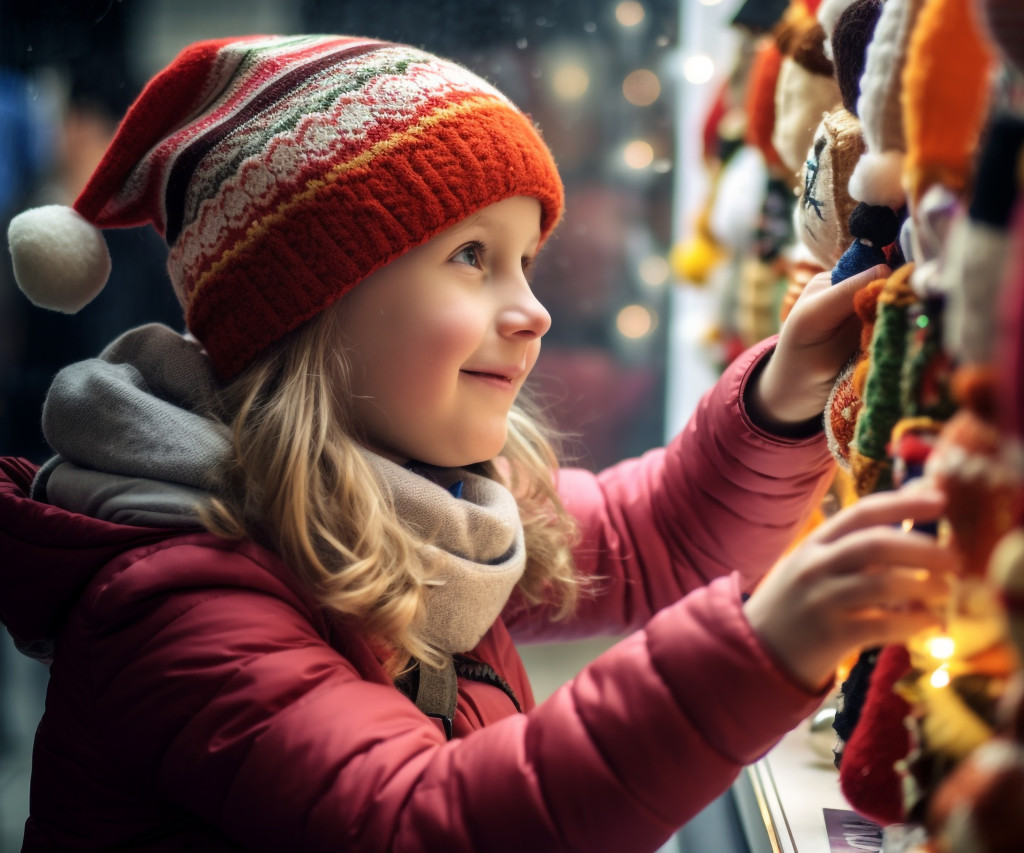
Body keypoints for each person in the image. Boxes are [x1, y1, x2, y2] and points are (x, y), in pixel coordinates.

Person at [0, 35, 954, 852]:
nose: (534, 311)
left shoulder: (419, 494)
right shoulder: (177, 606)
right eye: (472, 257)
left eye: (527, 261)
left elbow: (641, 536)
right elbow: (423, 822)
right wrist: (758, 650)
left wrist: (784, 394)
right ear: (313, 303)